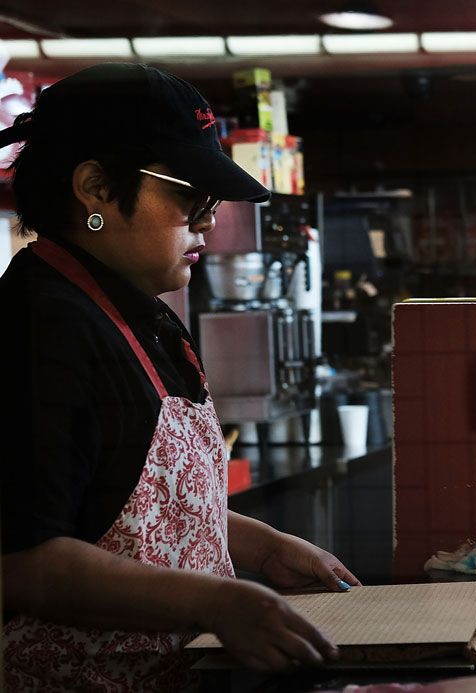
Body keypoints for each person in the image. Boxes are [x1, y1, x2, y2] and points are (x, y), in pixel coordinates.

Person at [0, 63, 360, 691]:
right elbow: (21, 560)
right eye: (188, 197)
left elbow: (129, 515)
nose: (208, 221)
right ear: (95, 188)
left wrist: (260, 545)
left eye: (212, 202)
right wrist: (215, 603)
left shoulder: (139, 314)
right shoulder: (39, 329)